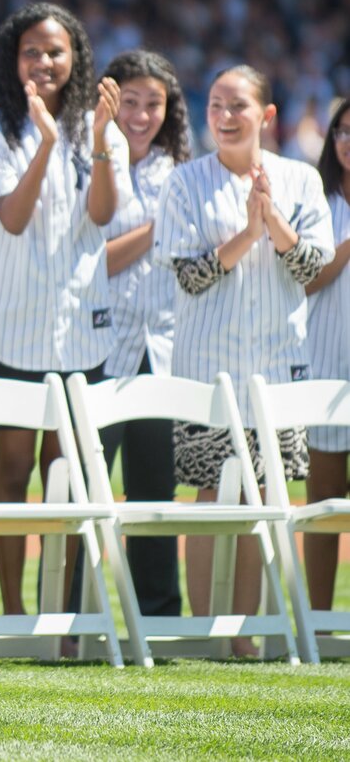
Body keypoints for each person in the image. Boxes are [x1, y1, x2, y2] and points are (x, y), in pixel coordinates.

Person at [158, 65, 332, 655]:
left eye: (239, 107)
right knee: (211, 498)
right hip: (206, 369)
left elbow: (312, 268)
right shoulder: (184, 182)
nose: (226, 118)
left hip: (280, 367)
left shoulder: (301, 179)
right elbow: (189, 275)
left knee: (265, 496)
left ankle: (248, 635)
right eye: (216, 106)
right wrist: (246, 233)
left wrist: (273, 223)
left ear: (267, 115)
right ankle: (205, 629)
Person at [0, 1, 130, 617]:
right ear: (13, 58)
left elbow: (104, 215)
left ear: (76, 58)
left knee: (66, 479)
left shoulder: (99, 125)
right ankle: (11, 615)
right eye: (31, 50)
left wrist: (101, 144)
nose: (43, 61)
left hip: (82, 329)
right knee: (11, 473)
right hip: (12, 328)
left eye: (56, 50)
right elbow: (11, 219)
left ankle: (59, 616)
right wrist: (46, 145)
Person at [95, 50, 192, 618]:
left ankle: (158, 616)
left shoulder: (179, 167)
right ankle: (73, 623)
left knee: (156, 495)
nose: (140, 113)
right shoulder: (90, 160)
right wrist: (161, 229)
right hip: (101, 349)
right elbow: (97, 262)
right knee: (83, 492)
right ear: (109, 101)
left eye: (153, 102)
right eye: (129, 101)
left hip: (162, 349)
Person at [303, 98, 350, 613]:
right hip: (325, 374)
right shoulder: (316, 200)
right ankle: (316, 619)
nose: (348, 142)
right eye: (342, 131)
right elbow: (306, 279)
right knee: (322, 507)